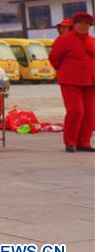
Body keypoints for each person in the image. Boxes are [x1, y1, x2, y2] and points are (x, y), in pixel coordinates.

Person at [48, 11, 95, 153]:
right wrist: (65, 71)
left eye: (87, 24)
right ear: (74, 24)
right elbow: (54, 58)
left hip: (90, 82)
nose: (83, 26)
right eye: (80, 23)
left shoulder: (91, 40)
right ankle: (70, 142)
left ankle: (84, 143)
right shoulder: (64, 39)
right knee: (76, 111)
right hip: (70, 82)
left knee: (90, 113)